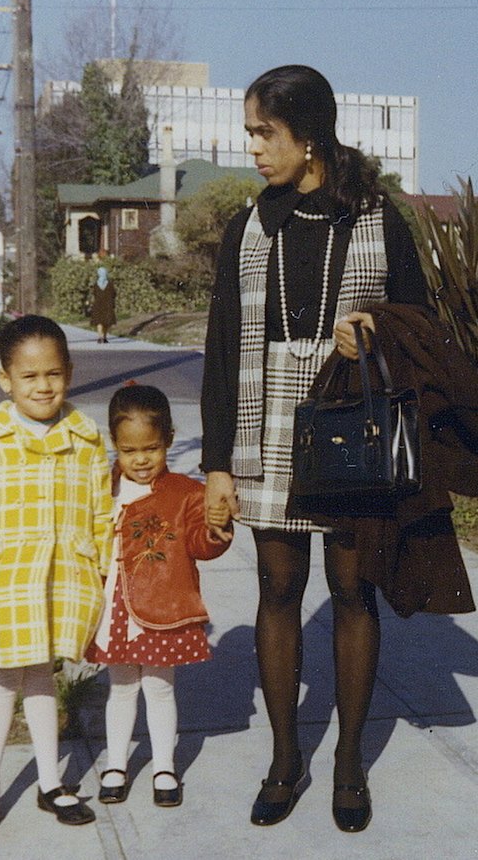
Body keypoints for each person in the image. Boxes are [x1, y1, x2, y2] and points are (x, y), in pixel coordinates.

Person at [201, 65, 430, 833]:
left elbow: (419, 325)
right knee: (275, 589)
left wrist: (371, 330)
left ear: (310, 135)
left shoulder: (376, 217)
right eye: (252, 134)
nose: (255, 149)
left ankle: (348, 762)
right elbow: (222, 347)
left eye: (265, 134)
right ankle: (284, 758)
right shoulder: (249, 224)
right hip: (265, 424)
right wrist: (216, 467)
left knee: (353, 590)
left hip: (349, 425)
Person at [0, 314, 113, 840]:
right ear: (5, 379)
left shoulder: (86, 438)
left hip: (62, 577)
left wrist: (101, 570)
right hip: (1, 579)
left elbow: (101, 511)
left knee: (42, 677)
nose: (43, 386)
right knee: (1, 680)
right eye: (30, 376)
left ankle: (50, 780)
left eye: (54, 374)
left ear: (69, 372)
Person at [86, 384, 232, 807]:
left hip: (163, 607)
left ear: (168, 439)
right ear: (115, 445)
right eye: (130, 451)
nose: (142, 460)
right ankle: (116, 764)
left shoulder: (185, 492)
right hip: (113, 607)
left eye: (151, 448)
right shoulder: (103, 487)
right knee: (122, 688)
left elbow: (202, 546)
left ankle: (164, 766)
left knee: (160, 687)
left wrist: (216, 526)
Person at [90, 265, 116, 344]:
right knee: (106, 322)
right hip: (108, 305)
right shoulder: (110, 284)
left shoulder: (95, 284)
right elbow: (114, 294)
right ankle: (104, 337)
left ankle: (100, 336)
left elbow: (94, 294)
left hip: (98, 305)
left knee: (99, 321)